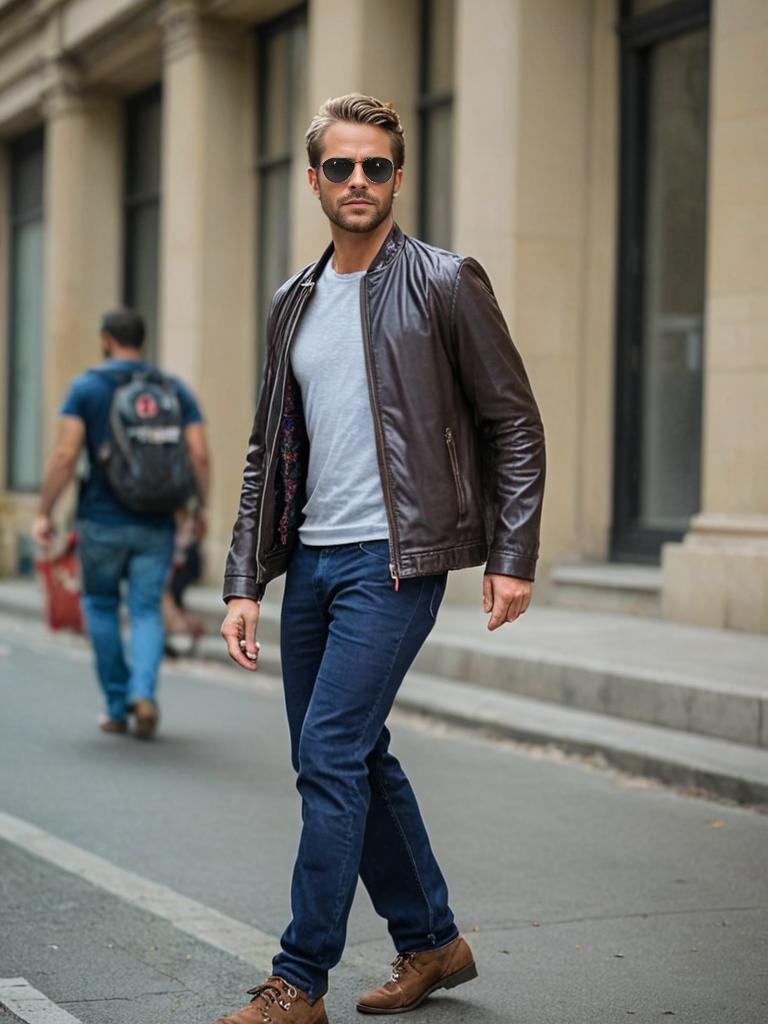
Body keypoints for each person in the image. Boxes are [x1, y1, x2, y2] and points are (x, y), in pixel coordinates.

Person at [219, 94, 545, 1024]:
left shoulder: (445, 281)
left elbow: (512, 422)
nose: (357, 181)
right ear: (314, 177)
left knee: (329, 754)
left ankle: (299, 979)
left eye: (375, 167)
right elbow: (264, 451)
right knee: (351, 756)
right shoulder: (293, 301)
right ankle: (433, 941)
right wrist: (245, 580)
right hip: (314, 562)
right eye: (340, 166)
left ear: (397, 177)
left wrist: (511, 553)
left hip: (399, 561)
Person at [33, 308, 210, 739]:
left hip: (101, 521)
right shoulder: (173, 389)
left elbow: (64, 455)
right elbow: (199, 453)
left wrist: (45, 511)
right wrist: (200, 508)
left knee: (101, 605)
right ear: (142, 340)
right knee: (148, 609)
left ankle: (116, 703)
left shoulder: (88, 388)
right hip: (157, 522)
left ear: (105, 339)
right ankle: (142, 692)